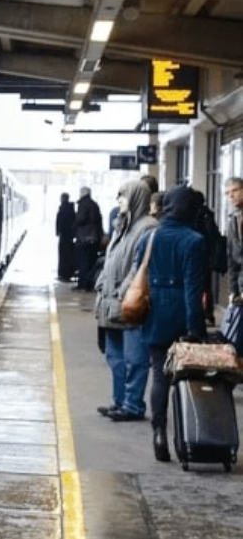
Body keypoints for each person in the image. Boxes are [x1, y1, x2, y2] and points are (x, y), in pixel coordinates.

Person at [137, 185, 207, 462]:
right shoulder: (194, 240)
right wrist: (196, 330)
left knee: (159, 375)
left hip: (153, 313)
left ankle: (158, 434)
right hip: (180, 315)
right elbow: (193, 289)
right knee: (184, 378)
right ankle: (185, 436)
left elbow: (138, 273)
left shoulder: (149, 237)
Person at [93, 180, 156, 422]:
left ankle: (132, 405)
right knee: (114, 357)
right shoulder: (123, 226)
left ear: (137, 198)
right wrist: (102, 282)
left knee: (134, 359)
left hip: (129, 303)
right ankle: (119, 401)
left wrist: (123, 290)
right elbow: (112, 259)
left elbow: (141, 265)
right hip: (111, 303)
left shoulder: (147, 227)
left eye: (123, 196)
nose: (119, 200)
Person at [190, 189, 221, 325]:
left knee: (198, 286)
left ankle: (204, 314)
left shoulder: (196, 215)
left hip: (199, 255)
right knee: (206, 287)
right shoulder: (208, 213)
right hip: (206, 256)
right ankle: (208, 314)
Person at [74, 185, 104, 291]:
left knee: (83, 262)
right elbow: (99, 220)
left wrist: (74, 223)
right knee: (91, 261)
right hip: (94, 238)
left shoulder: (83, 204)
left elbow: (80, 219)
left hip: (84, 238)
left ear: (82, 194)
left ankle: (82, 284)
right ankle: (90, 284)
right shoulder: (94, 204)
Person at [224, 177, 243, 307]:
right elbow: (232, 259)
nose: (231, 195)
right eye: (227, 193)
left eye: (235, 190)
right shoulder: (233, 220)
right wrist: (233, 289)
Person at [55, 192, 76, 282]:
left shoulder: (64, 208)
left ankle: (64, 274)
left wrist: (58, 231)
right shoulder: (70, 208)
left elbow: (60, 221)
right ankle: (64, 274)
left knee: (64, 256)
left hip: (65, 236)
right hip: (68, 236)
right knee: (66, 255)